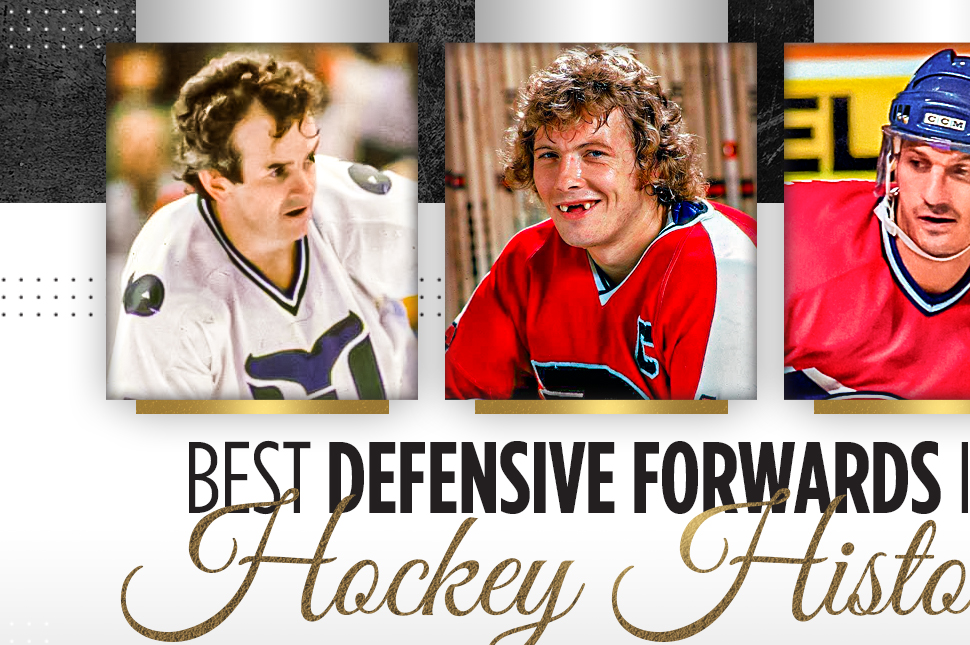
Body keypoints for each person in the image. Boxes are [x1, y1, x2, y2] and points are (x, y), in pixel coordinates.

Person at [445, 46, 757, 400]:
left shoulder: (724, 269)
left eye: (594, 153)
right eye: (548, 155)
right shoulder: (527, 261)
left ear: (652, 164)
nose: (565, 180)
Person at [108, 52, 417, 400]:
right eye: (277, 170)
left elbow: (467, 249)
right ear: (216, 182)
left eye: (309, 159)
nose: (305, 187)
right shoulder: (170, 269)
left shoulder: (352, 204)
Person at [784, 49, 970, 400]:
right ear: (893, 162)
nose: (933, 196)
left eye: (962, 171)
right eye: (918, 163)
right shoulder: (793, 235)